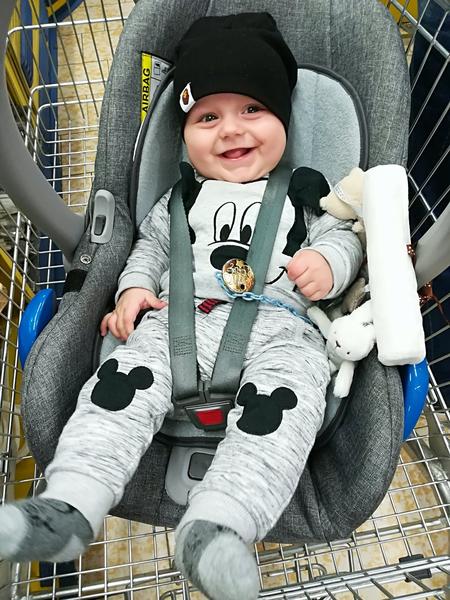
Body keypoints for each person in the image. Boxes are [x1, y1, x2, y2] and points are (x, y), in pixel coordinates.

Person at [0, 13, 363, 600]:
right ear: (185, 134)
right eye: (207, 118)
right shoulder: (180, 198)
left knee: (285, 407)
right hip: (179, 321)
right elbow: (149, 247)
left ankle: (218, 526)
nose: (231, 130)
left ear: (284, 121)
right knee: (120, 384)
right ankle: (70, 503)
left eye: (253, 109)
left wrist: (328, 263)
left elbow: (344, 238)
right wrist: (132, 289)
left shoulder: (302, 192)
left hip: (281, 327)